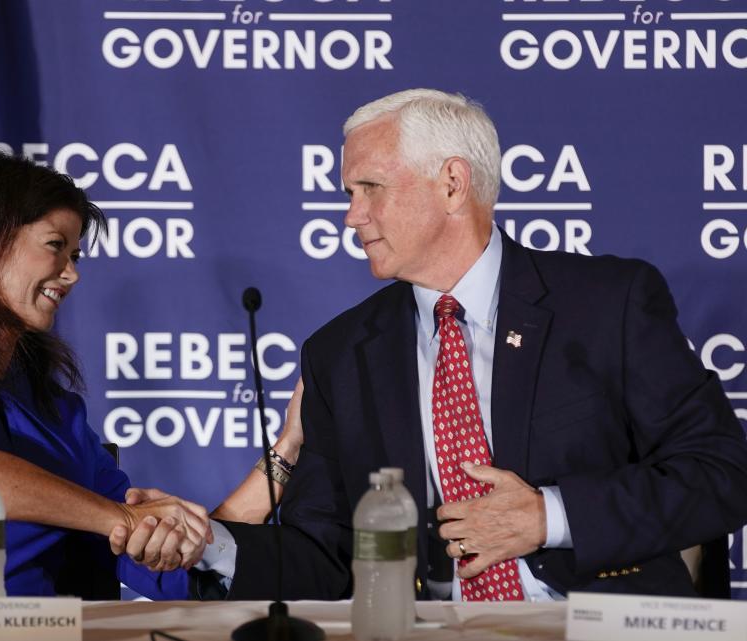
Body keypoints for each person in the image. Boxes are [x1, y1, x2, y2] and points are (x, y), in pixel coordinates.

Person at [122, 88, 747, 600]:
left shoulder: (606, 303)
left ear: (452, 184)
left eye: (370, 188)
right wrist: (212, 543)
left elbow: (724, 474)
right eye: (348, 193)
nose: (350, 216)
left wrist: (548, 516)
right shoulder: (341, 353)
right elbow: (329, 553)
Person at [0, 153, 290, 600]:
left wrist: (288, 447)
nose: (73, 273)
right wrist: (122, 518)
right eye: (55, 245)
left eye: (75, 254)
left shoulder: (59, 411)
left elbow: (148, 555)